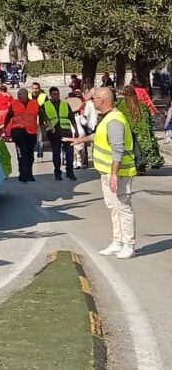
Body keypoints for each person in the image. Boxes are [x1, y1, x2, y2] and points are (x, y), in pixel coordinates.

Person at [64, 88, 136, 259]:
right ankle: (117, 242)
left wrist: (114, 174)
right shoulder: (109, 118)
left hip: (119, 174)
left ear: (102, 100)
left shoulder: (115, 120)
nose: (92, 101)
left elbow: (118, 149)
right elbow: (99, 135)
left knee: (123, 208)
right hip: (108, 172)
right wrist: (81, 139)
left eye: (94, 98)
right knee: (113, 207)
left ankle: (128, 245)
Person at [118, 85, 164, 172]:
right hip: (141, 130)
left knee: (131, 148)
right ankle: (141, 165)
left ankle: (133, 164)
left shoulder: (120, 106)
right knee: (140, 147)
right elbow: (148, 118)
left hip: (127, 130)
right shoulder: (142, 106)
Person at [4, 88, 43, 183]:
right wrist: (4, 128)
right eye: (18, 94)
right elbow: (8, 116)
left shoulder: (34, 104)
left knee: (30, 155)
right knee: (22, 154)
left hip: (31, 132)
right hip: (18, 132)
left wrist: (45, 126)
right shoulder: (14, 103)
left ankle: (30, 174)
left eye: (20, 94)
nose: (18, 96)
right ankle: (23, 174)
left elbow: (42, 115)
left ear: (26, 95)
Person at [42, 87, 76, 181]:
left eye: (57, 94)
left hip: (66, 133)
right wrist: (44, 134)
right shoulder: (45, 105)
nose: (56, 96)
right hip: (53, 133)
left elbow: (72, 118)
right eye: (54, 94)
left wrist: (75, 130)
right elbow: (42, 120)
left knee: (69, 153)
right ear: (50, 95)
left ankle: (70, 172)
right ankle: (57, 173)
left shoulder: (65, 104)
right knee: (56, 154)